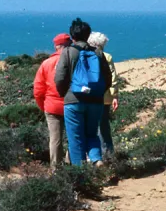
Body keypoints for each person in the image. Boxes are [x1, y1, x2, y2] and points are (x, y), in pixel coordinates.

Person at [53, 18, 112, 165]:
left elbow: (60, 77)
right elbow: (107, 77)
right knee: (92, 133)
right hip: (96, 101)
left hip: (74, 101)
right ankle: (96, 159)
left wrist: (64, 94)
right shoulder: (98, 53)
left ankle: (80, 171)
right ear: (88, 35)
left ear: (72, 36)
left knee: (75, 137)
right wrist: (98, 92)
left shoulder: (68, 52)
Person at [32, 32, 72, 168]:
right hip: (72, 104)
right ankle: (71, 164)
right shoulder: (75, 60)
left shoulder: (46, 63)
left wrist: (43, 106)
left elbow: (38, 90)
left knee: (55, 139)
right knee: (74, 136)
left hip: (52, 106)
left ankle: (56, 169)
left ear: (56, 46)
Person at [87, 31, 117, 159]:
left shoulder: (85, 56)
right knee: (103, 126)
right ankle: (108, 153)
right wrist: (115, 96)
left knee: (89, 126)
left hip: (88, 97)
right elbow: (113, 79)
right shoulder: (107, 57)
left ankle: (91, 155)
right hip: (105, 98)